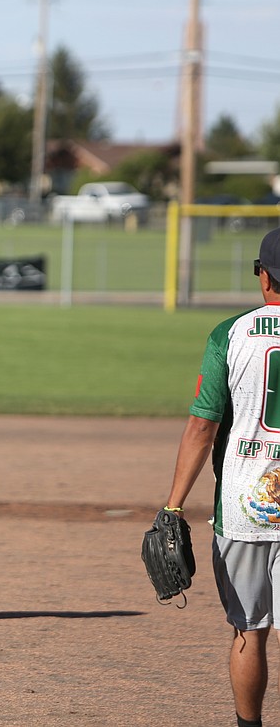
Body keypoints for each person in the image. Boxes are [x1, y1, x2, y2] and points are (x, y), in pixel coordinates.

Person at [164, 227, 280, 727]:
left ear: (264, 274)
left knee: (248, 630)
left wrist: (173, 504)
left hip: (242, 503)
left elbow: (202, 425)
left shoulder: (230, 333)